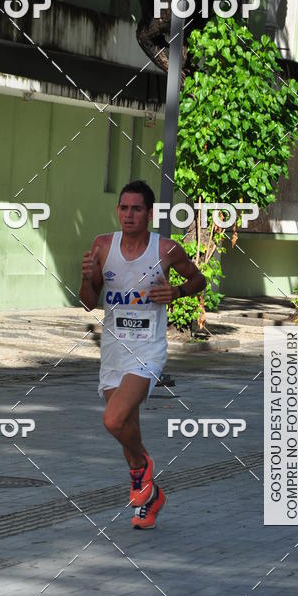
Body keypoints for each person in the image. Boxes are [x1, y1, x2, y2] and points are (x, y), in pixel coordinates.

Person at [79, 180, 206, 529]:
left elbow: (199, 280)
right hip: (113, 351)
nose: (129, 215)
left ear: (150, 214)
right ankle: (150, 497)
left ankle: (141, 470)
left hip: (147, 350)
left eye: (136, 209)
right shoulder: (103, 246)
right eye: (124, 208)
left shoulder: (165, 250)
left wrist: (176, 291)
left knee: (113, 420)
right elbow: (89, 301)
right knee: (127, 428)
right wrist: (87, 278)